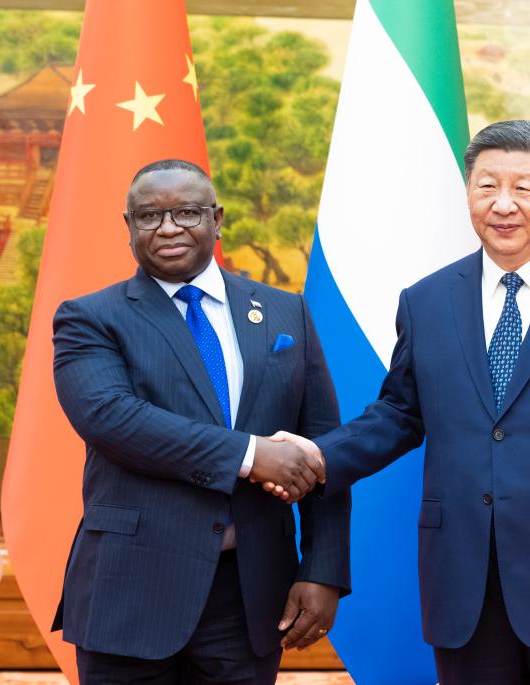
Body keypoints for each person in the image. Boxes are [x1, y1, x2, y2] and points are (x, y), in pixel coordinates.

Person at [270, 121, 530, 685]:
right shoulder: (427, 301)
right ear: (468, 193)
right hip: (464, 578)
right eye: (487, 187)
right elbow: (399, 414)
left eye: (522, 188)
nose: (503, 204)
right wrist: (317, 457)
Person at [49, 159, 350, 685]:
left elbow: (321, 448)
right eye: (149, 216)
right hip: (132, 592)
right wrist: (251, 456)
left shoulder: (287, 313)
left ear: (217, 218)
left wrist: (323, 570)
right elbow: (112, 418)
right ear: (128, 226)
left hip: (249, 596)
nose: (168, 228)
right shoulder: (90, 317)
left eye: (187, 212)